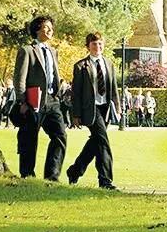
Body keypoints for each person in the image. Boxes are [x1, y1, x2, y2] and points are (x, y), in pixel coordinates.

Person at [12, 15, 67, 181]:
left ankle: (52, 176)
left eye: (51, 28)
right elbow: (19, 79)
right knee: (30, 138)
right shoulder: (27, 51)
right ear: (37, 30)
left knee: (60, 135)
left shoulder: (53, 51)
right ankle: (27, 174)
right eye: (46, 27)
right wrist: (22, 101)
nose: (50, 30)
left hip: (52, 100)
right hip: (32, 101)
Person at [66, 32, 120, 190]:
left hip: (105, 108)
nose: (98, 46)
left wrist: (117, 107)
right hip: (91, 109)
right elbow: (76, 93)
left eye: (100, 43)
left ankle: (75, 171)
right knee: (103, 142)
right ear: (88, 46)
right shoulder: (81, 66)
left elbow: (113, 88)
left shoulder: (109, 63)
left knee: (95, 143)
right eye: (94, 44)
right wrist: (75, 115)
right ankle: (105, 181)